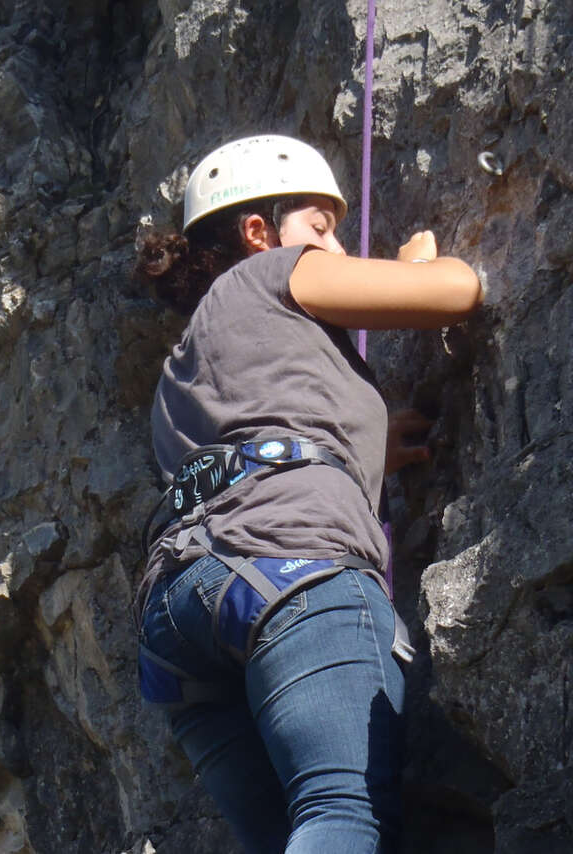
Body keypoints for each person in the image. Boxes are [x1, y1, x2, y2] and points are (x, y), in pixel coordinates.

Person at [134, 135, 482, 854]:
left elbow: (261, 441)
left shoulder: (182, 370)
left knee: (290, 836)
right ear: (259, 232)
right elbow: (457, 291)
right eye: (320, 228)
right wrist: (414, 267)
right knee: (341, 813)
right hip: (287, 572)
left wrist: (370, 446)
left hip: (178, 617)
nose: (330, 246)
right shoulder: (273, 275)